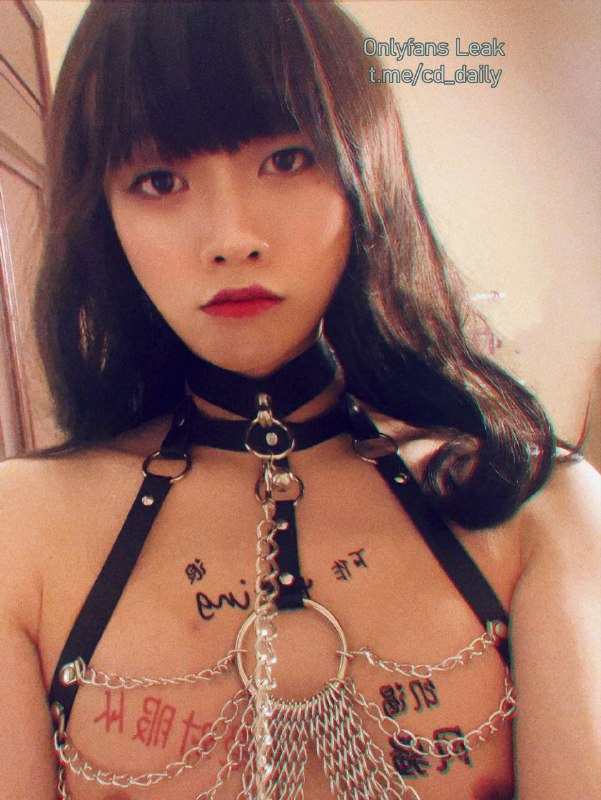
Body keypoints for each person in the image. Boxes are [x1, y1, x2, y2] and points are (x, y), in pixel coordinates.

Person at [0, 1, 599, 798]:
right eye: (158, 180)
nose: (231, 238)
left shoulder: (540, 510)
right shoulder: (19, 532)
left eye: (286, 160)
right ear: (103, 219)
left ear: (363, 173)